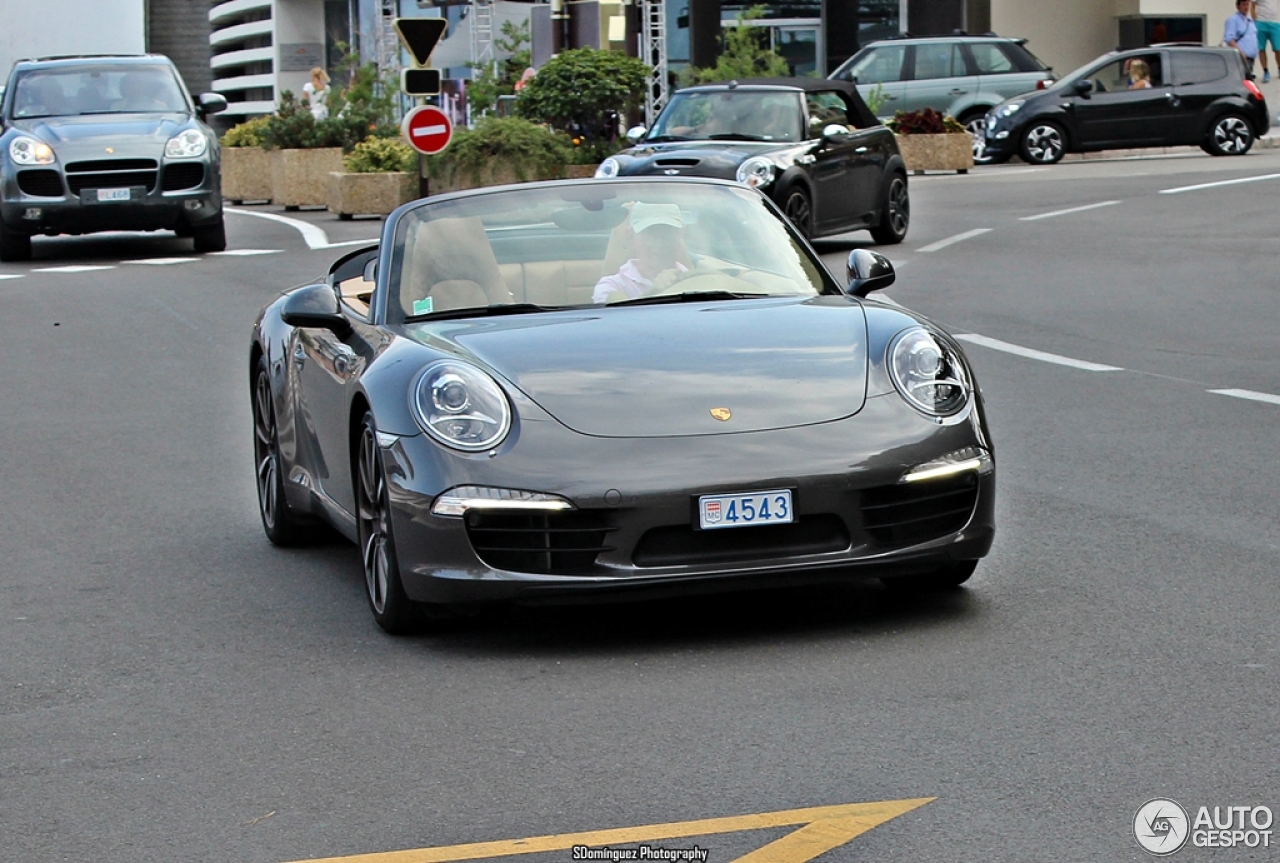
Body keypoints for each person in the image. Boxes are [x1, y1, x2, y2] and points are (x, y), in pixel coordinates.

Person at [593, 203, 690, 303]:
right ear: (631, 237)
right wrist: (654, 292)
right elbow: (614, 316)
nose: (660, 244)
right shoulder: (612, 286)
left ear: (681, 235)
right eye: (651, 235)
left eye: (668, 234)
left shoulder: (696, 280)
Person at [1226, 0, 1259, 75]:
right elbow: (1229, 39)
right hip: (1240, 59)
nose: (1246, 7)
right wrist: (1241, 54)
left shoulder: (1249, 20)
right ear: (1238, 6)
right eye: (1244, 5)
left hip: (1251, 60)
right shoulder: (1233, 20)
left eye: (1247, 5)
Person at [1254, 0, 1280, 82]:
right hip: (1261, 22)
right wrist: (1254, 21)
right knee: (1261, 48)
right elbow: (1253, 5)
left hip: (1274, 23)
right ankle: (1265, 71)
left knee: (1278, 48)